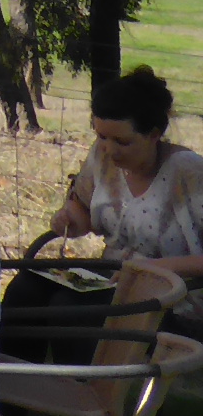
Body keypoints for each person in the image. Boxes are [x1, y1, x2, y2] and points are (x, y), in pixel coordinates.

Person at [48, 66, 203, 277]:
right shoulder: (101, 156)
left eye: (122, 142)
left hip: (170, 286)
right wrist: (68, 220)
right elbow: (82, 210)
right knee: (26, 287)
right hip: (113, 275)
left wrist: (158, 267)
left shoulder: (188, 172)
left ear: (153, 135)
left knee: (59, 299)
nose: (110, 150)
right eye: (102, 137)